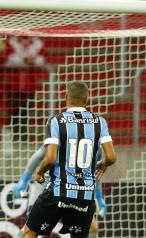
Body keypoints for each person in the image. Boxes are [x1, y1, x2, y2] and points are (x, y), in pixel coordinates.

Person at [22, 81, 116, 238]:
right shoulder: (100, 122)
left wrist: (39, 171)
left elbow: (50, 158)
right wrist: (103, 163)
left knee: (29, 231)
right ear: (87, 100)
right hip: (85, 195)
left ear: (65, 96)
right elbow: (112, 157)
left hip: (59, 190)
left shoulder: (56, 121)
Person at [13, 145, 107, 238]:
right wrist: (24, 180)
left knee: (91, 228)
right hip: (47, 187)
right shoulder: (61, 133)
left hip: (74, 190)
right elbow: (39, 155)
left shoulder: (96, 144)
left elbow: (95, 171)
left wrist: (99, 197)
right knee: (29, 230)